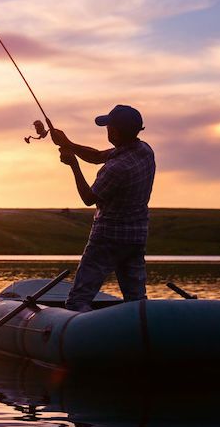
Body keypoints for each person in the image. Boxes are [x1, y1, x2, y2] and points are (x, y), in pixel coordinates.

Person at [51, 104, 156, 312]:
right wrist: (68, 143)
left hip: (107, 238)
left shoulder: (116, 168)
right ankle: (141, 327)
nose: (106, 129)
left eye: (108, 126)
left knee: (78, 300)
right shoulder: (144, 150)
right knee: (136, 300)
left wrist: (73, 165)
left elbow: (88, 198)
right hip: (136, 238)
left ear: (114, 132)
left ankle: (79, 328)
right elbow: (97, 156)